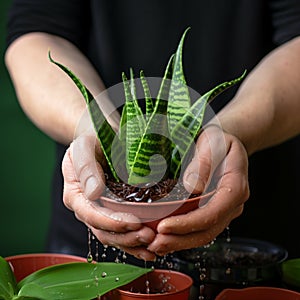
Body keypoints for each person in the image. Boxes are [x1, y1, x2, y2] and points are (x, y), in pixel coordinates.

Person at [5, 1, 300, 263]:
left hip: (253, 245)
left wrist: (230, 133)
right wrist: (95, 129)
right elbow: (36, 32)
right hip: (92, 243)